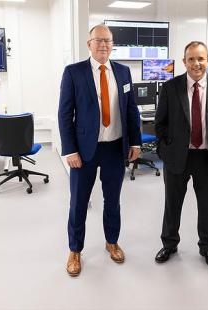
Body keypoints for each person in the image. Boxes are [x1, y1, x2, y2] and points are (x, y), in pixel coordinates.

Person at [58, 24, 141, 277]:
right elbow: (64, 113)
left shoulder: (124, 72)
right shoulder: (74, 72)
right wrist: (69, 150)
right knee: (79, 202)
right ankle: (75, 250)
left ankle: (112, 241)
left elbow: (131, 110)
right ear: (89, 44)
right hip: (84, 151)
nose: (104, 45)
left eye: (108, 40)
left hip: (115, 148)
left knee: (112, 200)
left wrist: (135, 142)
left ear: (112, 44)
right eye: (98, 40)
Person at [154, 41, 208, 268]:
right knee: (172, 204)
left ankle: (207, 247)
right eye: (191, 59)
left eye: (201, 58)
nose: (196, 63)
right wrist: (165, 152)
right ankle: (169, 244)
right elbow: (160, 125)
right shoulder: (171, 87)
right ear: (184, 62)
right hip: (178, 157)